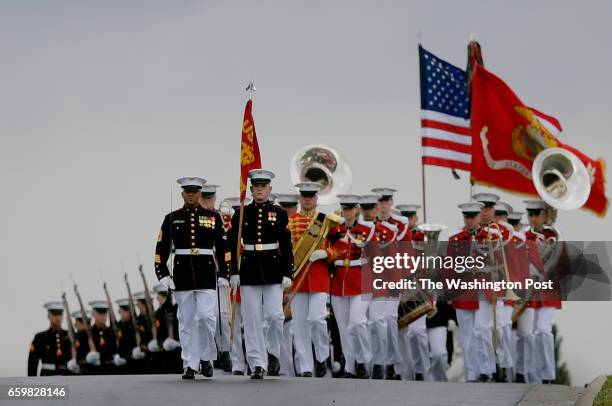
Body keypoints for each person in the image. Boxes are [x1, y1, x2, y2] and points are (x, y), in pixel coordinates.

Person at [154, 176, 228, 379]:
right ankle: (189, 363)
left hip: (206, 273)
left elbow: (223, 249)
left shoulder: (213, 218)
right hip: (182, 274)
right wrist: (163, 274)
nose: (191, 195)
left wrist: (224, 273)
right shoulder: (172, 218)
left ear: (199, 193)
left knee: (206, 317)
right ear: (182, 194)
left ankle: (206, 358)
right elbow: (161, 250)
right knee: (186, 321)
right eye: (188, 191)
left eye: (195, 191)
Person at [229, 169, 294, 379]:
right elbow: (232, 243)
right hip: (248, 268)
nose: (259, 189)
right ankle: (257, 363)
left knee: (275, 316)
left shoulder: (280, 213)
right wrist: (233, 271)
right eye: (256, 186)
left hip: (272, 268)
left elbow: (286, 245)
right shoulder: (241, 213)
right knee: (251, 319)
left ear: (269, 189)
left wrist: (287, 272)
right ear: (250, 189)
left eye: (263, 186)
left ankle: (273, 352)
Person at [446, 201, 498, 382]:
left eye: (472, 217)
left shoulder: (491, 237)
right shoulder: (455, 239)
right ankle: (472, 374)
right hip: (463, 291)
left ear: (479, 217)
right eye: (466, 217)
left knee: (482, 330)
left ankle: (487, 369)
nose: (469, 221)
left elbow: (499, 265)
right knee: (467, 336)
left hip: (484, 289)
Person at [328, 194, 377, 379]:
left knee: (357, 321)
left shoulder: (368, 228)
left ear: (357, 210)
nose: (348, 213)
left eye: (351, 209)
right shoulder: (334, 228)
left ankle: (364, 360)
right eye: (345, 209)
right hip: (339, 280)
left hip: (360, 278)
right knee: (343, 327)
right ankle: (350, 366)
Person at [288, 182, 332, 378]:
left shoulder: (327, 222)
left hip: (318, 277)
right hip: (298, 278)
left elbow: (341, 248)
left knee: (317, 319)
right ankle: (305, 366)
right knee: (299, 325)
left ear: (316, 198)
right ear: (300, 198)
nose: (307, 199)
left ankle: (322, 357)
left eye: (311, 195)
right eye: (304, 195)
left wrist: (326, 253)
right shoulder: (290, 222)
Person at [524, 200, 562, 384]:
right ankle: (535, 376)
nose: (532, 219)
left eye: (536, 215)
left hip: (549, 289)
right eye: (530, 215)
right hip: (532, 289)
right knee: (531, 332)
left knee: (542, 330)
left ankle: (547, 375)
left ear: (544, 215)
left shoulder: (554, 235)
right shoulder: (525, 236)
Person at [200, 184, 232, 373]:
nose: (206, 201)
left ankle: (225, 349)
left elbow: (228, 245)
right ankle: (208, 357)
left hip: (219, 272)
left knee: (222, 316)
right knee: (205, 317)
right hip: (203, 272)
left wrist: (226, 273)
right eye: (204, 197)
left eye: (210, 198)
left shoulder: (221, 217)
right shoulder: (194, 216)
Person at [28, 302, 72, 376]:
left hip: (67, 375)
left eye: (60, 314)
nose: (58, 317)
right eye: (54, 314)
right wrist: (32, 381)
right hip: (47, 375)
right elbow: (33, 362)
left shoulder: (69, 335)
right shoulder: (40, 337)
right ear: (48, 316)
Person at [88, 300, 121, 375]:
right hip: (95, 371)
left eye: (105, 313)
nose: (103, 316)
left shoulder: (111, 331)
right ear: (93, 314)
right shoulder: (89, 333)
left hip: (112, 370)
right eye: (100, 313)